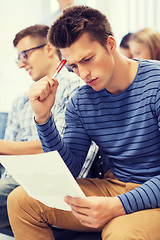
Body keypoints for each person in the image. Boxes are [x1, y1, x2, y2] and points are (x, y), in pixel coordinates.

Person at [7, 6, 160, 240]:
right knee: (20, 201)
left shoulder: (156, 84)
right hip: (115, 185)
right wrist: (43, 119)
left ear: (110, 44)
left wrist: (119, 206)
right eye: (74, 66)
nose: (83, 73)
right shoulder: (81, 101)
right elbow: (69, 170)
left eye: (88, 59)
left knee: (121, 234)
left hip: (154, 192)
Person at [0, 24, 97, 228]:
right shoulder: (20, 101)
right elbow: (9, 150)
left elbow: (59, 151)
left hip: (50, 180)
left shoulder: (76, 87)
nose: (20, 64)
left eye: (25, 55)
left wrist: (2, 147)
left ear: (49, 48)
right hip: (14, 178)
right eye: (18, 58)